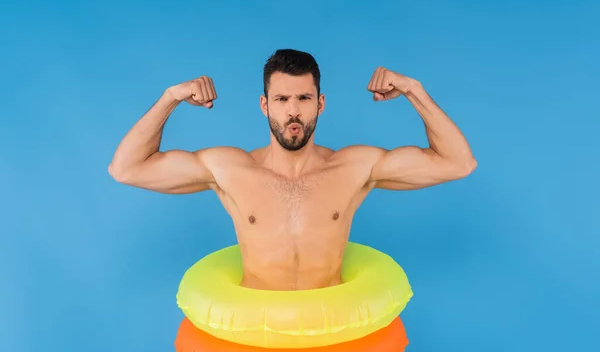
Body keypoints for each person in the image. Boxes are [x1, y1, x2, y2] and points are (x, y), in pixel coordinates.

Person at [108, 49, 477, 291]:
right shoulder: (229, 169)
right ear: (264, 106)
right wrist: (170, 97)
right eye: (282, 99)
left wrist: (414, 90)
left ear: (320, 104)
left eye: (303, 99)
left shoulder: (354, 167)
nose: (293, 112)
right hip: (257, 337)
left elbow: (458, 162)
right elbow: (126, 169)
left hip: (329, 337)